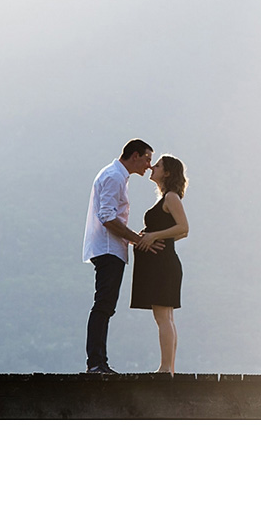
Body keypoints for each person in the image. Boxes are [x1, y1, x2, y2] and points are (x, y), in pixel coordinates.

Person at [82, 139, 162, 374]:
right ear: (135, 155)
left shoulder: (117, 176)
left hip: (111, 249)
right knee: (103, 305)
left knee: (106, 306)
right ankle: (96, 362)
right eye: (147, 158)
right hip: (108, 249)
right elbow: (107, 217)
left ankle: (98, 361)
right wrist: (138, 240)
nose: (149, 165)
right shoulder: (115, 177)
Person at [130, 155, 189, 373]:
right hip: (161, 264)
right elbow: (176, 233)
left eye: (157, 165)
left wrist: (153, 236)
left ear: (167, 172)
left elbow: (184, 228)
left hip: (164, 265)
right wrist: (150, 236)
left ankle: (166, 368)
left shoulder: (171, 197)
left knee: (163, 316)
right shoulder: (165, 198)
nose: (152, 168)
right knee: (165, 316)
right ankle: (168, 368)